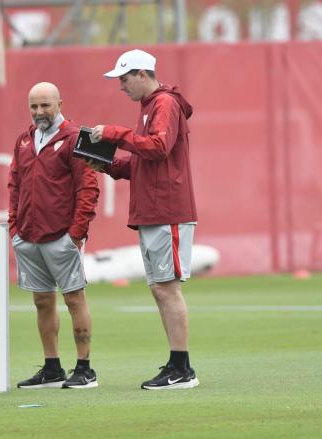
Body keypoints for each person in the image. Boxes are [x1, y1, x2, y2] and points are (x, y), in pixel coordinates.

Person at [88, 49, 200, 390]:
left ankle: (182, 368)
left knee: (167, 289)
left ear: (141, 74)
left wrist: (113, 134)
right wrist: (105, 164)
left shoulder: (164, 103)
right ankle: (177, 363)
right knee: (160, 288)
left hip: (168, 211)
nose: (121, 87)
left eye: (124, 79)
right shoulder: (150, 107)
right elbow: (142, 162)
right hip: (153, 211)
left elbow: (157, 148)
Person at [8, 82, 100, 389]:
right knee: (42, 301)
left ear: (60, 103)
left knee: (74, 298)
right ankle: (52, 368)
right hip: (29, 236)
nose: (39, 112)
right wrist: (14, 226)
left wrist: (76, 233)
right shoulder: (24, 139)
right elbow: (15, 185)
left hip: (62, 236)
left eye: (45, 105)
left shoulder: (78, 137)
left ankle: (85, 368)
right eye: (34, 106)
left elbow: (88, 188)